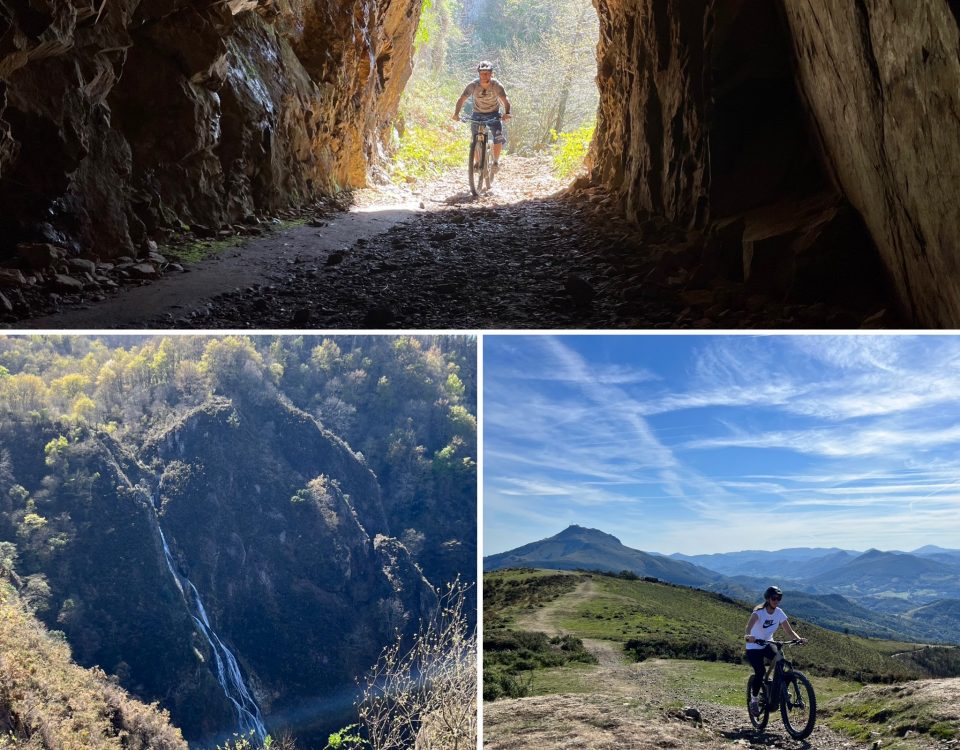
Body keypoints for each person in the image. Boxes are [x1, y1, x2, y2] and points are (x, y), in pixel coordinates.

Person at [744, 585, 806, 716]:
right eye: (774, 598)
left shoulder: (779, 612)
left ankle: (778, 689)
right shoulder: (758, 613)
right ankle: (754, 700)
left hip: (768, 643)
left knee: (780, 660)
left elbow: (789, 631)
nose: (776, 601)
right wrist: (749, 636)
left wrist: (798, 639)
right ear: (768, 598)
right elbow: (748, 627)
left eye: (779, 598)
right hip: (754, 646)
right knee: (760, 672)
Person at [452, 61, 512, 173]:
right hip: (477, 114)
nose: (484, 76)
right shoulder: (473, 86)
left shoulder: (497, 86)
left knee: (497, 137)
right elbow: (461, 99)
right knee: (474, 139)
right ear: (479, 74)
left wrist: (507, 113)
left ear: (491, 74)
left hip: (493, 114)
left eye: (487, 73)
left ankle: (495, 162)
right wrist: (456, 114)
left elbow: (505, 100)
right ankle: (477, 162)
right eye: (482, 73)